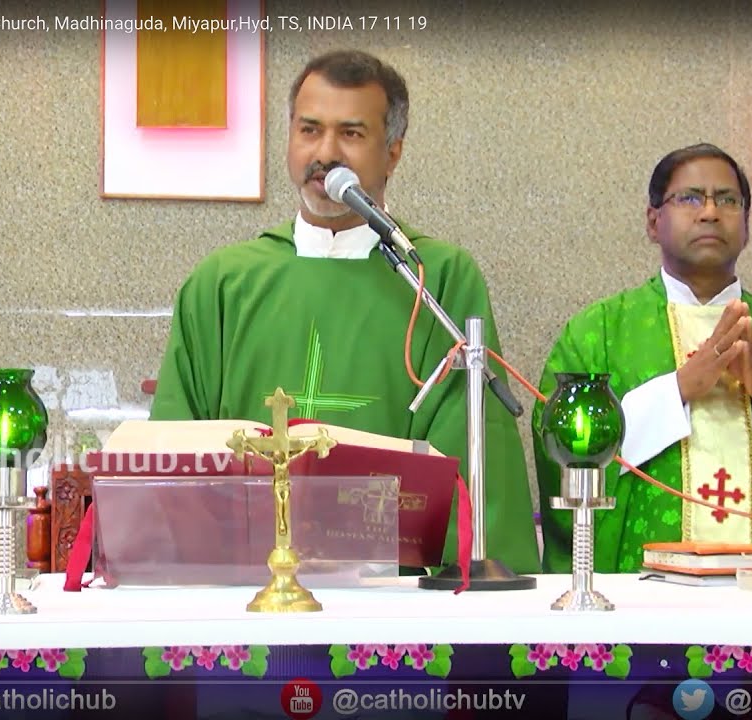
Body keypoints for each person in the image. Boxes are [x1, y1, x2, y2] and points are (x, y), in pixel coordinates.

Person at [150, 49, 540, 575]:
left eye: (352, 134)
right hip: (245, 588)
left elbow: (468, 459)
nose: (326, 152)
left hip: (398, 598)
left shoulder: (437, 277)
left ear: (393, 152)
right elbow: (176, 445)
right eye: (309, 130)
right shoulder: (221, 283)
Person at [532, 143, 752, 574]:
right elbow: (558, 446)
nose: (710, 212)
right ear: (654, 221)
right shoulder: (599, 329)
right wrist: (677, 390)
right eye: (690, 197)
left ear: (747, 225)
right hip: (644, 593)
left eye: (727, 200)